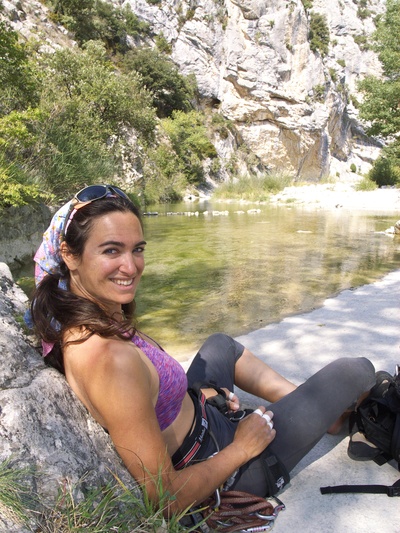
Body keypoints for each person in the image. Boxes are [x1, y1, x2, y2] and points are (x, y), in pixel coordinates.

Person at [30, 184, 376, 516]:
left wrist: (199, 395)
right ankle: (321, 416)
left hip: (203, 417)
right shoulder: (107, 357)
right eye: (111, 250)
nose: (131, 266)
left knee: (220, 345)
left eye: (138, 249)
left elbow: (149, 393)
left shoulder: (88, 314)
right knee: (355, 369)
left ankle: (317, 414)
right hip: (224, 470)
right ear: (69, 255)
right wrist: (242, 447)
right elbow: (166, 498)